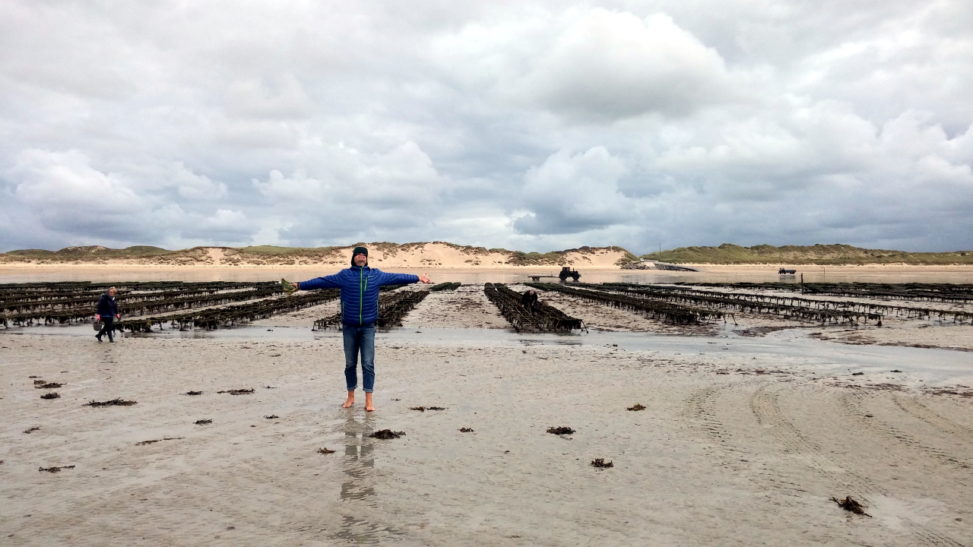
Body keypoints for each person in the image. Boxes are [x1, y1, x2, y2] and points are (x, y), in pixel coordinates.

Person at [282, 246, 431, 411]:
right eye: (358, 254)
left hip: (368, 327)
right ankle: (350, 397)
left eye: (364, 255)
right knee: (350, 364)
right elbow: (322, 281)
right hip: (349, 327)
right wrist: (299, 285)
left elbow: (397, 277)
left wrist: (417, 277)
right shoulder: (344, 275)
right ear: (353, 258)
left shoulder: (376, 275)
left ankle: (369, 401)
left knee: (368, 363)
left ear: (367, 258)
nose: (361, 256)